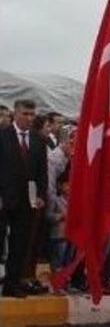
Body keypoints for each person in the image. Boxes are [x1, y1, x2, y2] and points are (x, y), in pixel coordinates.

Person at [1, 99, 48, 297]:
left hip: (27, 201)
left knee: (19, 245)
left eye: (32, 115)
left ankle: (12, 284)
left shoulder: (38, 140)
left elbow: (42, 172)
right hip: (3, 199)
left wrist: (41, 195)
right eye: (25, 114)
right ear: (15, 113)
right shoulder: (3, 136)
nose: (29, 118)